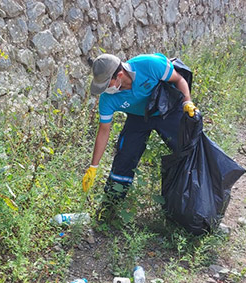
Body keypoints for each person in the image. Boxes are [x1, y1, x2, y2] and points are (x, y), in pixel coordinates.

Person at [82, 53, 197, 217]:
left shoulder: (149, 65)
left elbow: (179, 80)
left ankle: (192, 204)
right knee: (125, 156)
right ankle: (109, 210)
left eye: (107, 84)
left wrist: (187, 101)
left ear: (119, 75)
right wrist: (93, 167)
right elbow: (103, 131)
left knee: (189, 146)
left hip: (167, 109)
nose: (106, 89)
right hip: (139, 117)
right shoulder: (108, 99)